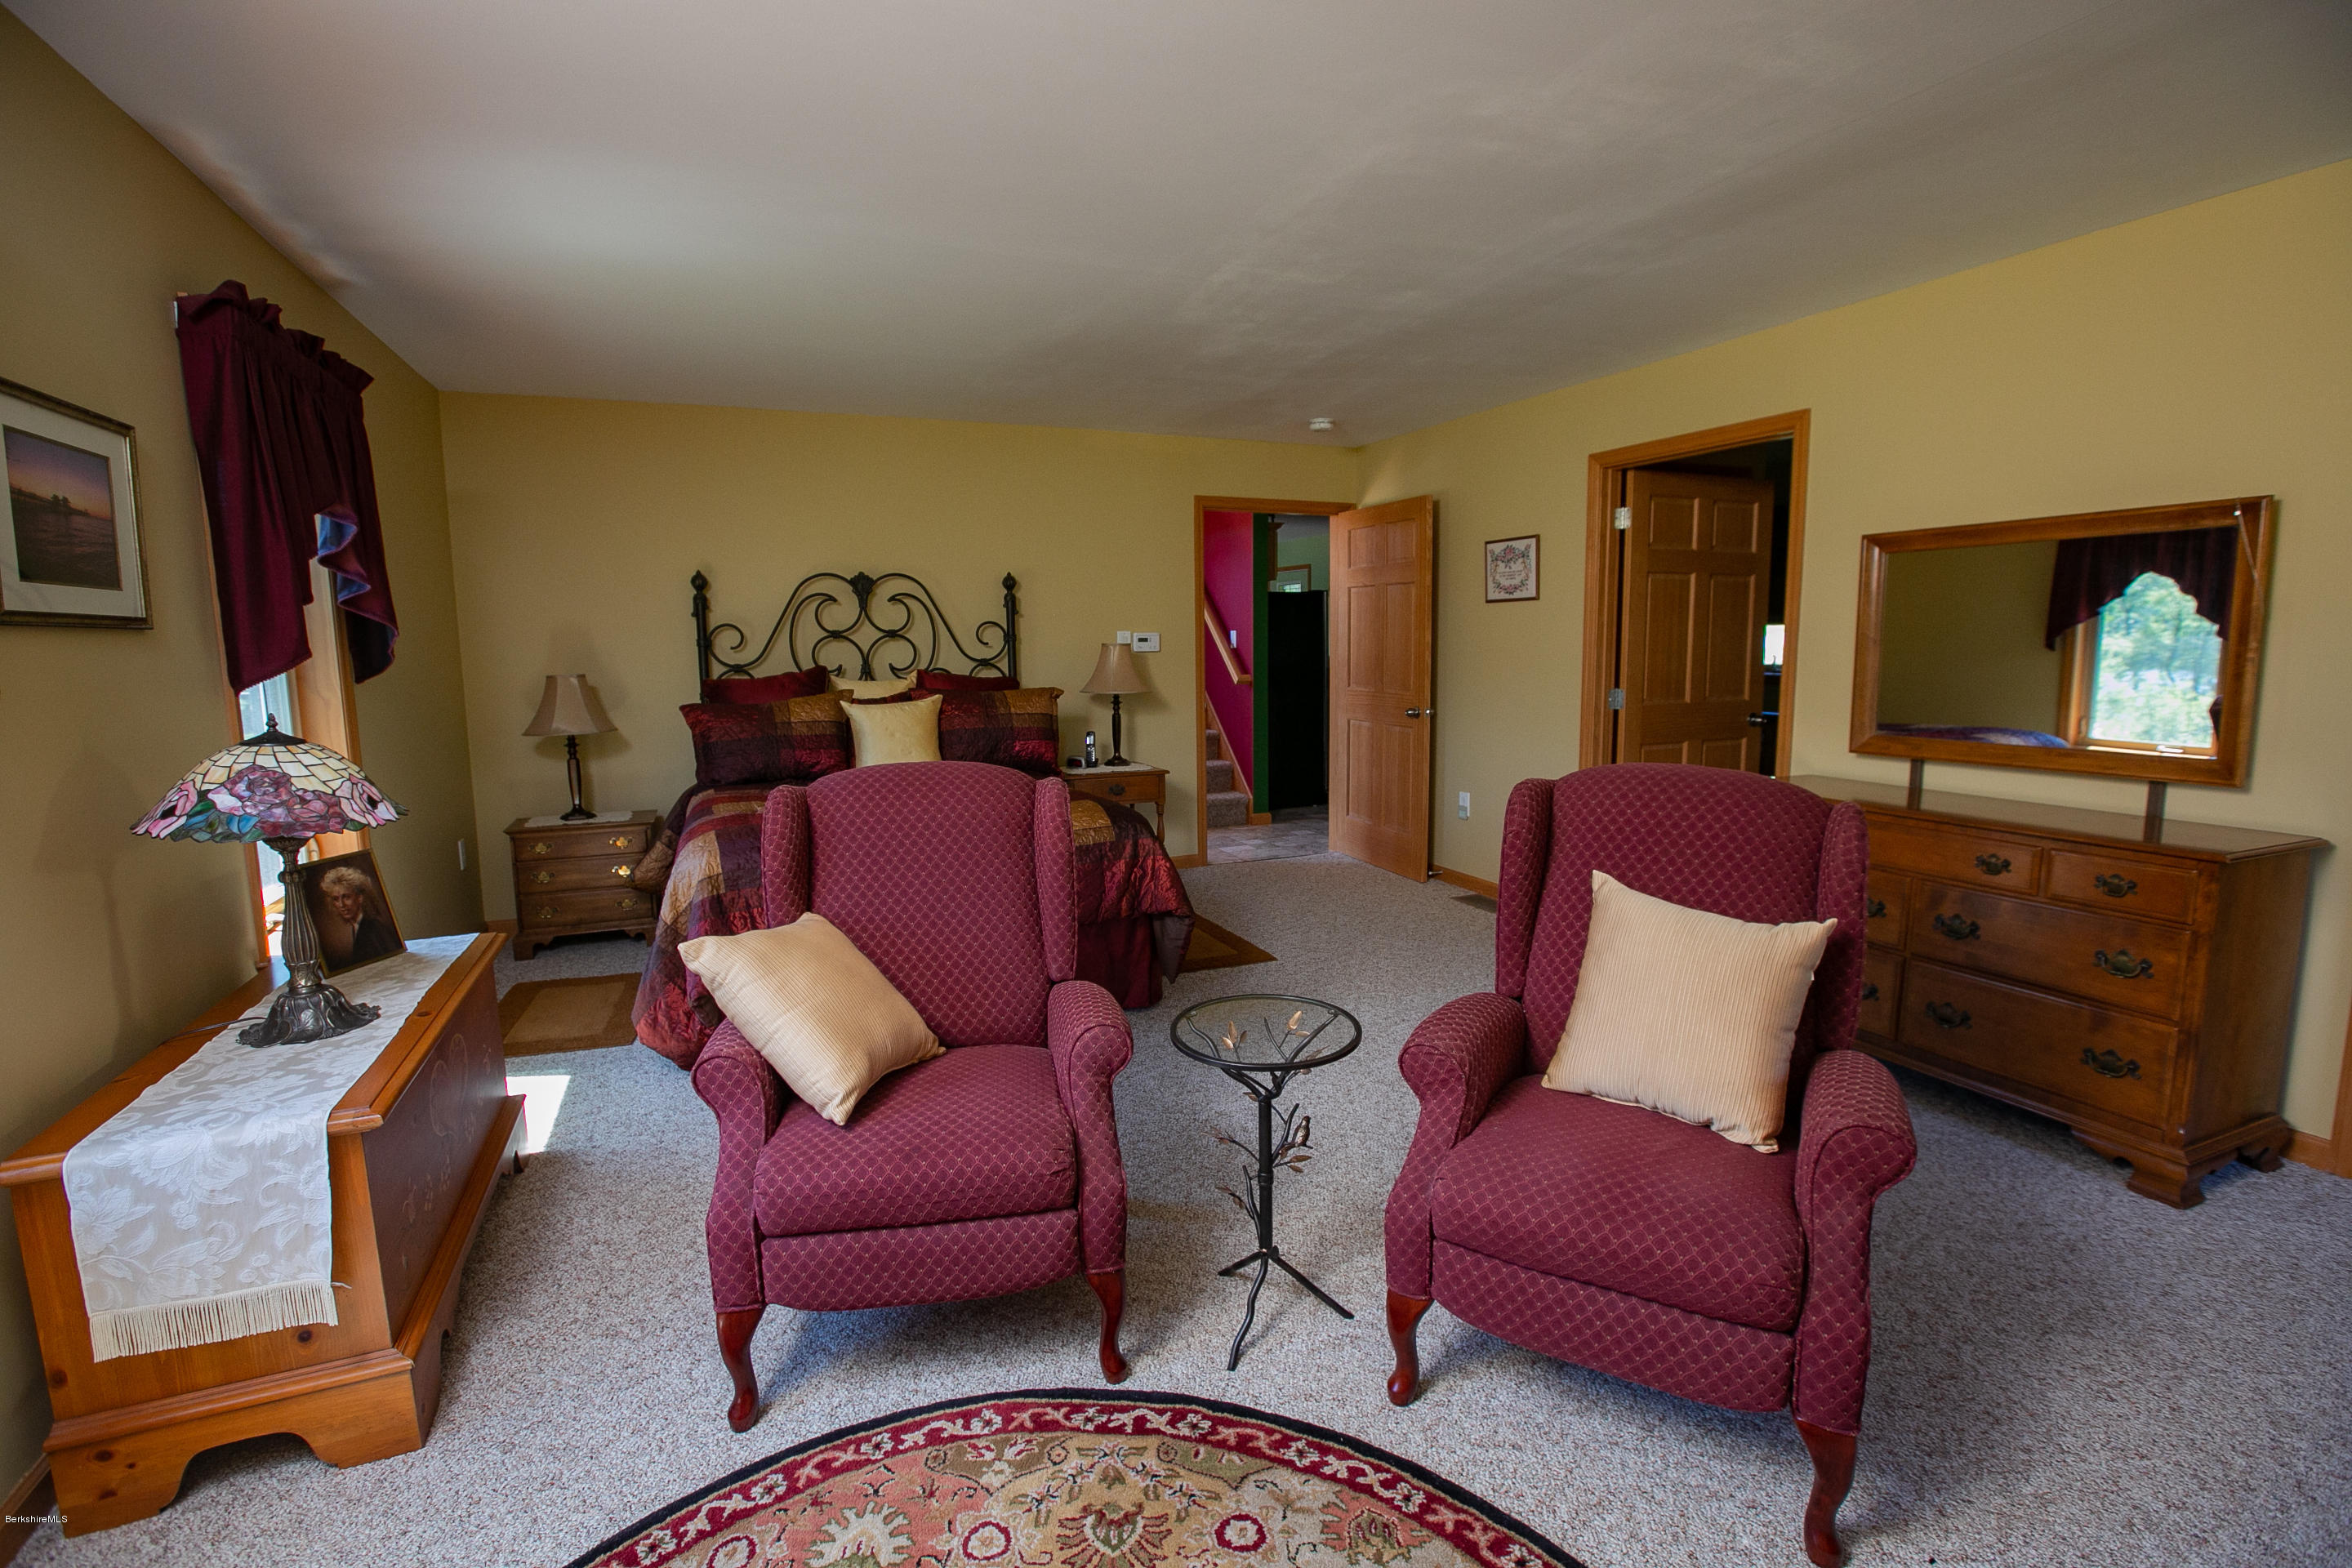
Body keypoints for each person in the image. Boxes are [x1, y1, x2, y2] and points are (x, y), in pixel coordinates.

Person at [315, 864, 400, 968]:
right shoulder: (357, 927)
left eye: (346, 897)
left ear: (360, 897)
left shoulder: (374, 928)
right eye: (336, 899)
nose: (341, 905)